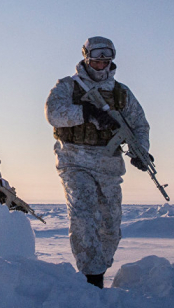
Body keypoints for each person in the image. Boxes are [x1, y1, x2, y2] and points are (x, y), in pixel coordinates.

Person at [45, 36, 151, 288]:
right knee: (83, 217)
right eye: (96, 57)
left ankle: (98, 269)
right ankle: (90, 278)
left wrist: (141, 151)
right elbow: (53, 113)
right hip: (74, 160)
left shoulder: (122, 93)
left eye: (106, 58)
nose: (101, 63)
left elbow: (139, 125)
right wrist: (86, 113)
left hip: (108, 164)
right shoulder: (68, 87)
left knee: (110, 224)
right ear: (86, 57)